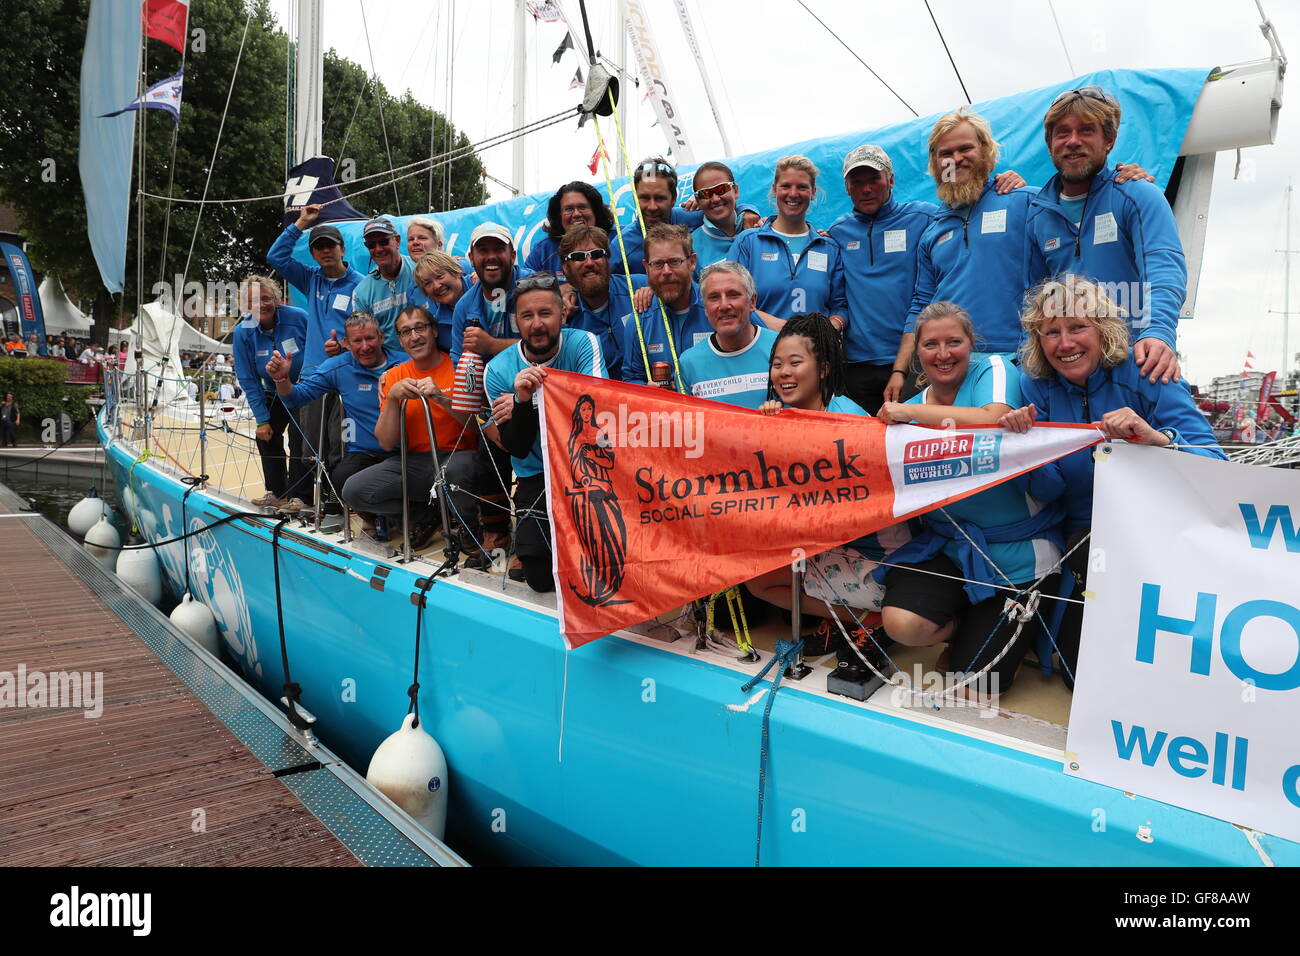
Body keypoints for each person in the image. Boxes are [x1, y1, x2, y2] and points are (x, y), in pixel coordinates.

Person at [998, 274, 1225, 687]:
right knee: (1078, 678)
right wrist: (1025, 452)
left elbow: (1216, 462)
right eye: (1051, 332)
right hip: (1084, 538)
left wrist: (1157, 440)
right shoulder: (1036, 384)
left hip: (1159, 530)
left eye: (1077, 327)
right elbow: (1052, 491)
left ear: (1104, 330)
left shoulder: (1147, 371)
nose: (1065, 344)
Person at [871, 302, 1064, 698]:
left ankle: (1001, 626)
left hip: (1018, 555)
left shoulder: (994, 370)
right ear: (918, 353)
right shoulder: (919, 401)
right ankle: (963, 620)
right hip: (952, 550)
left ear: (971, 344)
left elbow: (992, 416)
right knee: (902, 625)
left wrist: (905, 412)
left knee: (977, 690)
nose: (943, 354)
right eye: (931, 345)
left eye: (954, 342)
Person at [745, 313, 911, 656]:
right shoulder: (782, 416)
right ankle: (859, 617)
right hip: (825, 547)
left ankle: (874, 615)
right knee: (756, 578)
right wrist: (768, 437)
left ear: (822, 370)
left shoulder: (848, 419)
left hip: (877, 557)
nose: (784, 373)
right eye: (777, 364)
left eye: (795, 362)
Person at [830, 143, 1020, 414]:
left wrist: (1004, 181)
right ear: (847, 188)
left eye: (874, 179)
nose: (866, 188)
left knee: (913, 439)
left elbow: (966, 208)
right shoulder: (838, 232)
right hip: (857, 365)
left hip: (914, 361)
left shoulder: (924, 217)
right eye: (856, 182)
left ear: (891, 180)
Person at [1026, 85, 1184, 384]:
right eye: (1062, 132)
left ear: (1109, 140)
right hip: (1067, 373)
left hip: (1136, 362)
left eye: (1086, 130)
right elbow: (1031, 299)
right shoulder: (1037, 214)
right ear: (1050, 145)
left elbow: (1164, 270)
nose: (1073, 141)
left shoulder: (1137, 195)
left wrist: (1158, 332)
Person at [484, 274, 607, 592]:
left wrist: (526, 402)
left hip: (586, 466)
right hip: (536, 475)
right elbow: (517, 447)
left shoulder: (583, 343)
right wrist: (522, 401)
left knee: (602, 567)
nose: (537, 324)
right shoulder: (497, 370)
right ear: (516, 321)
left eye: (545, 313)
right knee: (539, 579)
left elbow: (592, 410)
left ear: (563, 314)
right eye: (527, 315)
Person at [343, 305, 478, 550]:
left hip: (459, 456)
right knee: (354, 490)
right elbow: (385, 442)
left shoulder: (457, 366)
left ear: (434, 331)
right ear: (401, 341)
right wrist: (393, 399)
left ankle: (470, 526)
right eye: (406, 332)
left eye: (420, 328)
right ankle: (427, 515)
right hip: (416, 462)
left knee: (456, 470)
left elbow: (477, 427)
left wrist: (440, 398)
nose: (414, 336)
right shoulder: (394, 376)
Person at [265, 311, 410, 518]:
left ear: (382, 337)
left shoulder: (405, 364)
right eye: (357, 341)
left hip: (403, 451)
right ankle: (382, 517)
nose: (365, 346)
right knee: (341, 478)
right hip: (363, 454)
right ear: (346, 343)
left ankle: (413, 516)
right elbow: (297, 397)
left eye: (370, 338)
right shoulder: (339, 366)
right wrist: (281, 379)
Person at [267, 204, 366, 501]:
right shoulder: (311, 278)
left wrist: (346, 346)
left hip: (345, 375)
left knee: (341, 442)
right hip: (312, 375)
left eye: (330, 245)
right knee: (310, 444)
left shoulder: (361, 285)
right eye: (319, 247)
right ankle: (311, 501)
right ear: (312, 253)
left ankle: (337, 502)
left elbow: (365, 331)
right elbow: (275, 257)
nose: (325, 251)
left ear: (342, 248)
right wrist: (301, 223)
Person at [449, 221, 533, 558]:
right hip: (493, 406)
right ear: (471, 257)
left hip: (538, 398)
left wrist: (492, 344)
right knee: (488, 461)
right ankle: (496, 533)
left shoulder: (532, 288)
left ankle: (537, 531)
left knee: (537, 467)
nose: (491, 257)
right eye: (483, 250)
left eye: (498, 248)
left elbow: (549, 346)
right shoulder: (464, 306)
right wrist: (486, 423)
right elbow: (463, 374)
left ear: (512, 253)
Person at [620, 224, 765, 387]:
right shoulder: (640, 321)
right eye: (658, 264)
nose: (666, 271)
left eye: (674, 262)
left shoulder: (723, 309)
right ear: (647, 267)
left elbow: (763, 350)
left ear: (692, 262)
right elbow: (631, 378)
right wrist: (646, 392)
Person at [732, 155, 848, 328]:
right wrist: (791, 332)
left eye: (802, 187)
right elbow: (734, 301)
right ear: (774, 189)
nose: (793, 194)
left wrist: (830, 329)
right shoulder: (748, 242)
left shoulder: (829, 247)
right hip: (764, 351)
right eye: (786, 186)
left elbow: (840, 306)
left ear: (813, 192)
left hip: (815, 351)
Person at [232, 275, 310, 511]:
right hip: (273, 389)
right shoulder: (242, 332)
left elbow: (316, 352)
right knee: (266, 435)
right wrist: (262, 420)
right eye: (254, 301)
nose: (261, 305)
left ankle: (302, 496)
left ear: (276, 299)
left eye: (266, 298)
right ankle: (279, 492)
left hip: (303, 386)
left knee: (300, 438)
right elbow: (247, 378)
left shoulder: (299, 318)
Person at [678, 261, 778, 409]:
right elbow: (687, 425)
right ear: (705, 307)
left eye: (733, 295)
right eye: (714, 297)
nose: (724, 305)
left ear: (752, 302)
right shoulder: (689, 363)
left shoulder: (780, 348)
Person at [559, 224, 646, 381]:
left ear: (608, 260)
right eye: (578, 257)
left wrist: (655, 289)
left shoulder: (640, 285)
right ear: (565, 268)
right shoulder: (564, 315)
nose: (589, 263)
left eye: (596, 254)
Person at [352, 216, 415, 355]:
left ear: (397, 240)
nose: (378, 249)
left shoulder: (420, 269)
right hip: (392, 365)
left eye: (383, 242)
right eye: (371, 245)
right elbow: (364, 337)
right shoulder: (362, 292)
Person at [525, 182, 617, 276]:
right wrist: (555, 289)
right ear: (559, 215)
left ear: (595, 211)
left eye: (582, 207)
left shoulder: (619, 240)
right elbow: (523, 284)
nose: (576, 214)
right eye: (569, 209)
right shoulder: (544, 250)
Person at [688, 161, 752, 272]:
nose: (715, 199)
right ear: (697, 201)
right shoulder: (691, 247)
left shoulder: (758, 228)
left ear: (735, 191)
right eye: (705, 194)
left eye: (721, 189)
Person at [412, 251, 470, 354]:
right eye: (428, 283)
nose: (437, 286)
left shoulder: (483, 289)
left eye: (439, 276)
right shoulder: (439, 326)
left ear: (457, 272)